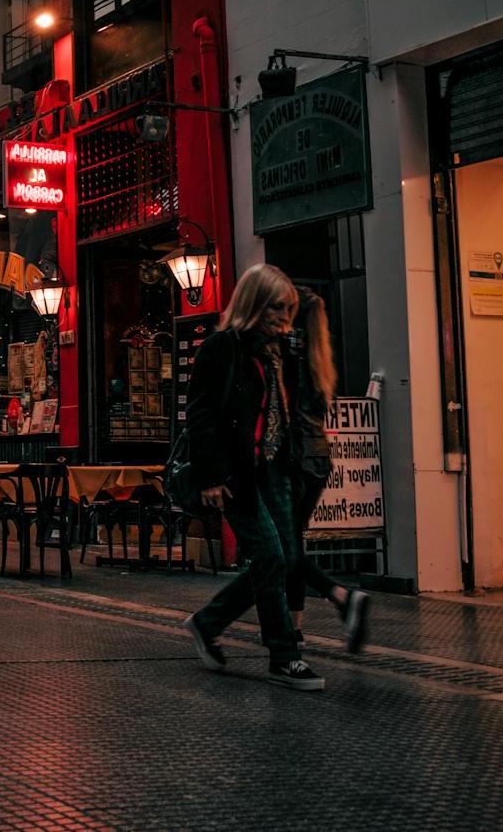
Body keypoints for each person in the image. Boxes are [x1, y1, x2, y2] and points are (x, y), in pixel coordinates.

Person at [182, 264, 326, 691]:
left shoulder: (282, 354)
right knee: (269, 557)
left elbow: (291, 411)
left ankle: (208, 623)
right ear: (255, 304)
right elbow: (202, 416)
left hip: (276, 469)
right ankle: (284, 655)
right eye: (277, 307)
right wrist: (211, 476)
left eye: (290, 309)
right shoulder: (222, 349)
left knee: (282, 560)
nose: (284, 317)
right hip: (237, 474)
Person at [285, 289, 371, 651]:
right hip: (319, 459)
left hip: (295, 458)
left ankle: (341, 596)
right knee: (292, 542)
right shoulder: (320, 357)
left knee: (283, 546)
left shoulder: (290, 353)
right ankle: (295, 625)